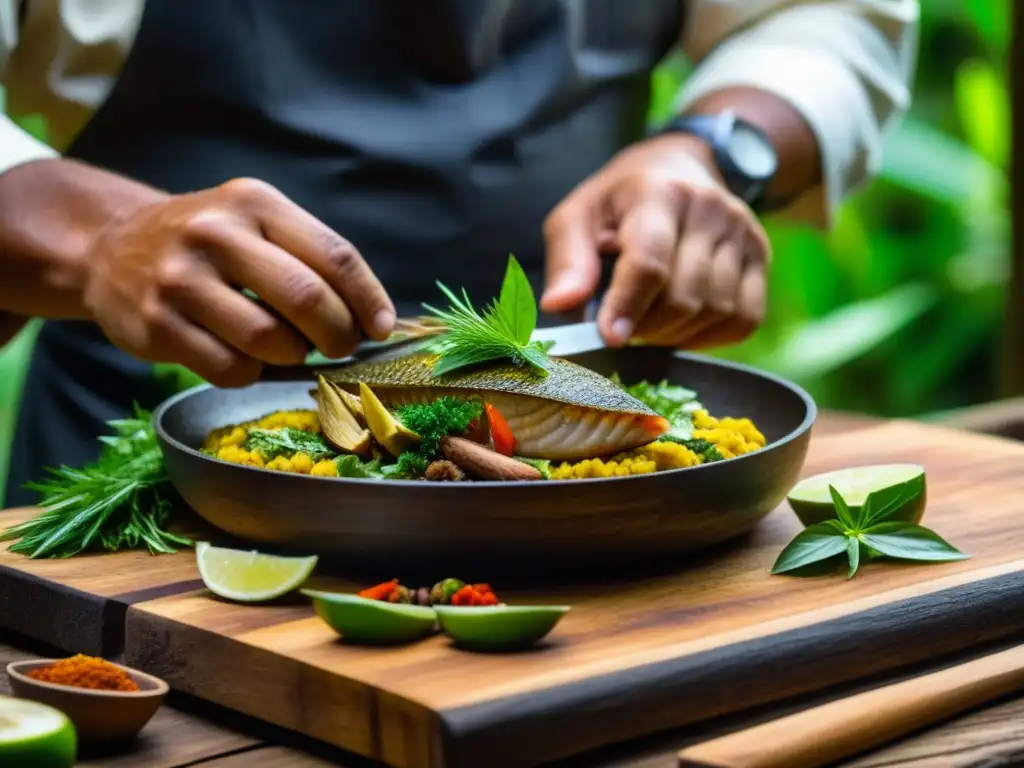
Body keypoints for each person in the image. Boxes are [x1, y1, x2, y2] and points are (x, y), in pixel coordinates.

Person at [0, 0, 917, 506]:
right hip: (168, 460)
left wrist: (713, 149)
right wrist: (96, 236)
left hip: (589, 462)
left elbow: (825, 17)